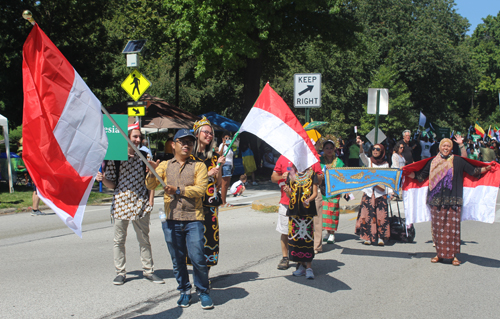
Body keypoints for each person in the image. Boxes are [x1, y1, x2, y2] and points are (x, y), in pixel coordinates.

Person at [146, 128, 213, 309]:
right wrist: (151, 171)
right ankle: (184, 290)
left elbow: (200, 190)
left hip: (194, 218)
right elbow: (150, 184)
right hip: (171, 218)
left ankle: (203, 291)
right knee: (177, 258)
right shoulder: (165, 165)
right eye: (182, 142)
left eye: (190, 142)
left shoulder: (199, 165)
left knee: (198, 256)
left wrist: (177, 190)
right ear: (173, 145)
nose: (186, 145)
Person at [407, 137, 491, 265]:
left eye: (448, 146)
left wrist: (488, 168)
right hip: (435, 200)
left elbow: (474, 171)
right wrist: (406, 173)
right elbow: (420, 176)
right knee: (437, 228)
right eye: (443, 146)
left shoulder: (457, 161)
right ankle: (439, 254)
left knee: (453, 229)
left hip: (453, 199)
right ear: (439, 147)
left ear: (451, 148)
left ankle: (454, 256)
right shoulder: (432, 162)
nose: (446, 148)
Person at [96, 125, 162, 286]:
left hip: (140, 203)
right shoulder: (116, 157)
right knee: (119, 240)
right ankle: (120, 272)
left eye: (140, 137)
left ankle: (148, 270)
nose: (138, 140)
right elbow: (112, 184)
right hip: (121, 203)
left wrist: (151, 198)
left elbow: (151, 181)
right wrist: (103, 179)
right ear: (127, 137)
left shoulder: (145, 155)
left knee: (144, 239)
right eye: (135, 137)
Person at [188, 117, 225, 279]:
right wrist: (206, 174)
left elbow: (218, 183)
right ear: (197, 134)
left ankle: (205, 276)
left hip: (210, 206)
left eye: (211, 133)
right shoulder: (189, 156)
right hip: (193, 205)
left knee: (210, 240)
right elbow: (185, 180)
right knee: (194, 241)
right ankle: (197, 274)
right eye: (206, 132)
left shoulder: (215, 157)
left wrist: (219, 168)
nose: (209, 135)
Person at [272, 155, 323, 269]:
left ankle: (303, 262)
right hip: (287, 203)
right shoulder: (283, 158)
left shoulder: (312, 159)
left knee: (303, 234)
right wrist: (283, 176)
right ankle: (286, 257)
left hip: (305, 207)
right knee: (285, 231)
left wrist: (310, 174)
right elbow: (273, 177)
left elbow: (320, 178)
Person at [355, 137, 392, 246]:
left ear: (382, 151)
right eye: (373, 149)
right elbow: (362, 155)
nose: (375, 151)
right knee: (367, 216)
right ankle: (367, 237)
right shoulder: (369, 161)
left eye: (378, 149)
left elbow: (388, 179)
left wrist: (390, 193)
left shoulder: (386, 164)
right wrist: (361, 145)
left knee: (381, 217)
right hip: (368, 193)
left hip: (381, 193)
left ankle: (381, 237)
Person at [284, 164, 319, 279]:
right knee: (296, 239)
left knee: (307, 239)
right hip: (294, 211)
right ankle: (301, 266)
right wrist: (287, 191)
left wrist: (308, 200)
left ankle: (309, 267)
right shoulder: (291, 174)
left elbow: (315, 193)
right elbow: (290, 195)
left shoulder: (311, 173)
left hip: (307, 211)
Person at [319, 139, 344, 245]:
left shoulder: (339, 162)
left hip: (334, 190)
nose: (329, 150)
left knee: (332, 211)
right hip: (323, 189)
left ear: (334, 149)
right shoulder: (320, 161)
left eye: (331, 148)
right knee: (323, 212)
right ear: (323, 149)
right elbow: (317, 172)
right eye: (326, 148)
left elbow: (341, 175)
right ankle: (327, 232)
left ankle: (332, 233)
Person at [218, 133, 233, 207]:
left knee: (227, 185)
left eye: (229, 138)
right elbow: (220, 154)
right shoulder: (222, 145)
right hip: (225, 165)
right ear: (223, 138)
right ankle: (223, 202)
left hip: (229, 165)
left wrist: (233, 166)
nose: (227, 140)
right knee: (224, 184)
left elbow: (231, 158)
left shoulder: (230, 147)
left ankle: (224, 200)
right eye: (226, 138)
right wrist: (223, 145)